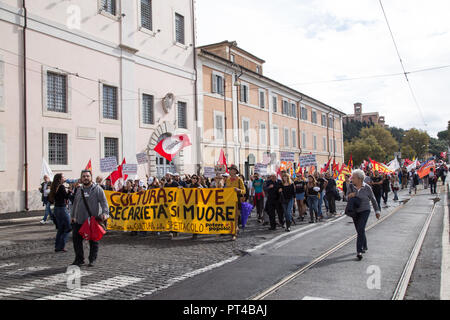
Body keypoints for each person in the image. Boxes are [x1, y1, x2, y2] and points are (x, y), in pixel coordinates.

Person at [70, 170, 109, 267]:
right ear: (81, 178)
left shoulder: (98, 189)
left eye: (87, 176)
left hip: (92, 220)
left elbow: (104, 203)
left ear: (91, 177)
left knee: (93, 241)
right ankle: (79, 259)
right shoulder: (79, 190)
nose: (86, 178)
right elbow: (75, 204)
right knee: (76, 240)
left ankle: (92, 259)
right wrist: (73, 216)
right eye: (84, 176)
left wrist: (105, 213)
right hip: (79, 220)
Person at [347, 169, 381, 261]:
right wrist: (350, 195)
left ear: (359, 179)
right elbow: (346, 197)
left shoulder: (367, 188)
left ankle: (359, 251)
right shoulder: (350, 186)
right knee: (359, 230)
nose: (351, 179)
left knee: (361, 228)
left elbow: (373, 199)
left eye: (353, 178)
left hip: (365, 210)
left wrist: (377, 211)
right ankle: (364, 245)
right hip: (354, 211)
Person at [48, 173, 71, 253]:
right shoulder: (61, 187)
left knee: (61, 228)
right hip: (62, 208)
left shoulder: (54, 187)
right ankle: (61, 246)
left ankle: (57, 246)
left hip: (57, 209)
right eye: (63, 177)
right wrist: (70, 192)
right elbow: (66, 196)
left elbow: (51, 199)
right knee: (68, 227)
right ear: (60, 179)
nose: (64, 177)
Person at [224, 165, 246, 241]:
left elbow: (244, 190)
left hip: (237, 201)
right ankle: (234, 229)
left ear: (235, 171)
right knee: (230, 216)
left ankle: (234, 233)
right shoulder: (228, 180)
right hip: (229, 201)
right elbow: (226, 189)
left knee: (235, 216)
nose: (229, 171)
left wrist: (239, 190)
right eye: (229, 170)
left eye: (231, 170)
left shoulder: (239, 180)